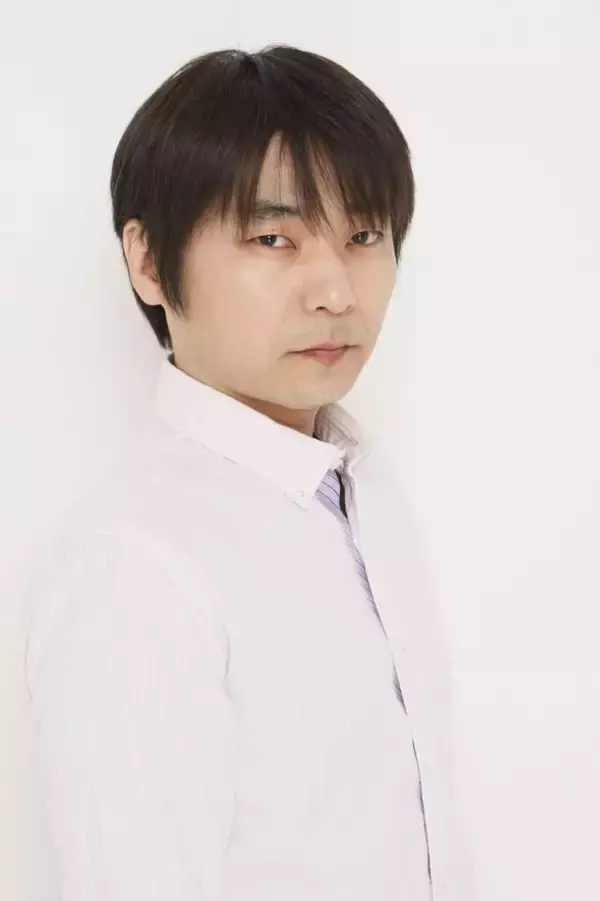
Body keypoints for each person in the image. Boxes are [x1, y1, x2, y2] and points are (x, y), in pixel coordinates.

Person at [22, 45, 473, 901]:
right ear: (148, 262)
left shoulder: (362, 491)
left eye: (364, 235)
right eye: (274, 238)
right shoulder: (136, 566)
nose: (336, 291)